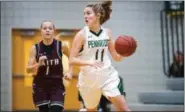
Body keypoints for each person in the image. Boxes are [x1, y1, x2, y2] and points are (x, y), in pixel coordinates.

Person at [69, 1, 130, 111]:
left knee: (124, 108)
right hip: (89, 80)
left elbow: (116, 57)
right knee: (92, 110)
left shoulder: (108, 33)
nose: (85, 16)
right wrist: (89, 62)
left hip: (107, 76)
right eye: (84, 14)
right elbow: (71, 59)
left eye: (88, 13)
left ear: (98, 15)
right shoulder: (81, 35)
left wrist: (125, 53)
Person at [26, 20, 71, 112]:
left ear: (54, 30)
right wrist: (38, 64)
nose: (47, 30)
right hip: (40, 86)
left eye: (50, 28)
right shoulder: (35, 48)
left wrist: (70, 72)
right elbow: (28, 70)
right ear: (41, 31)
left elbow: (72, 58)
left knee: (56, 109)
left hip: (57, 85)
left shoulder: (61, 45)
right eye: (45, 28)